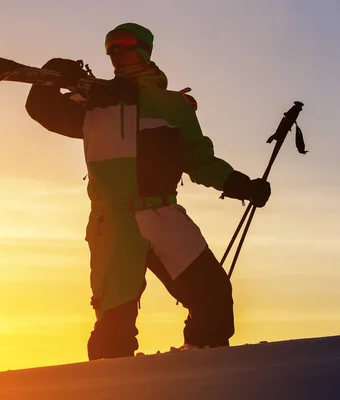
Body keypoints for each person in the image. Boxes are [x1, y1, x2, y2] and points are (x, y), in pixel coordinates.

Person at [25, 22, 271, 360]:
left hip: (163, 214)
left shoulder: (173, 107)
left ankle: (201, 372)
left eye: (122, 44)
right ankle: (110, 390)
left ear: (143, 47)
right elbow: (43, 110)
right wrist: (52, 72)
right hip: (114, 223)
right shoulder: (93, 105)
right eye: (109, 47)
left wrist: (240, 185)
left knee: (213, 295)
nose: (114, 53)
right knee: (115, 319)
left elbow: (199, 161)